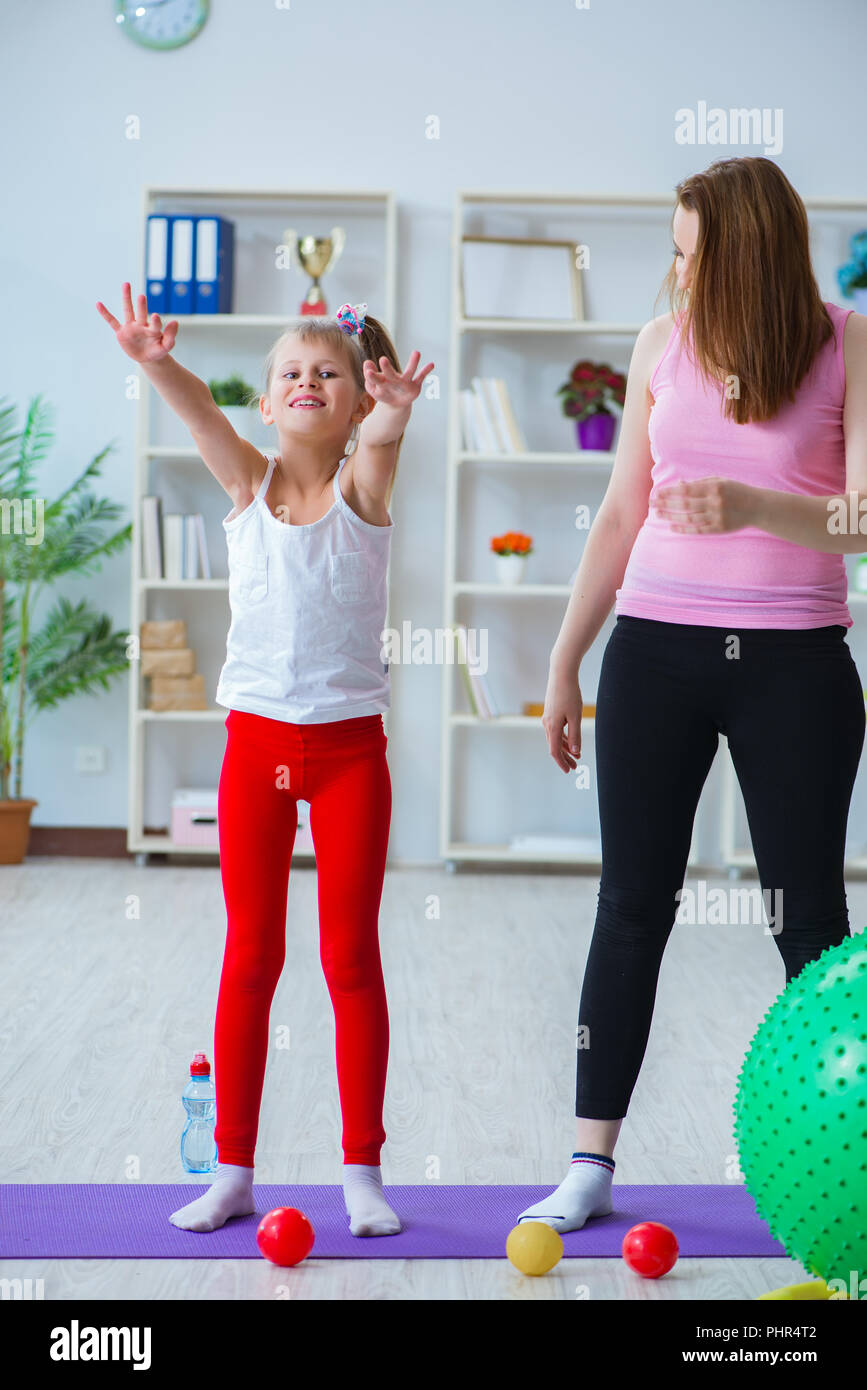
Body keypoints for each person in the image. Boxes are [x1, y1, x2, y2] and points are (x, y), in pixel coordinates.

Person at [520, 156, 867, 1232]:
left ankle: (844, 1175)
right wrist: (565, 657)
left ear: (746, 254)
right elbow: (622, 515)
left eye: (689, 251)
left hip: (798, 663)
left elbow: (862, 520)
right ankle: (589, 1163)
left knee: (806, 917)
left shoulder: (848, 339)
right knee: (631, 905)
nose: (674, 270)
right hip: (654, 653)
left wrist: (761, 504)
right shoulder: (660, 345)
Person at [97, 286, 433, 1236]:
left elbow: (382, 450)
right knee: (251, 956)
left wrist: (398, 413)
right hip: (254, 751)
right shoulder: (246, 485)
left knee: (347, 959)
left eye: (327, 373)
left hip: (346, 756)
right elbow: (199, 411)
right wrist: (155, 360)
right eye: (289, 371)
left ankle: (360, 1173)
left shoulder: (362, 490)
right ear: (267, 399)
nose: (306, 382)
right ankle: (233, 1170)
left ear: (357, 401)